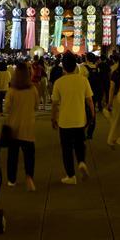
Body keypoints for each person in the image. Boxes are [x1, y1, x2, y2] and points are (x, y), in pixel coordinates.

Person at [51, 53, 94, 184]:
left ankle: (71, 176)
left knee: (66, 149)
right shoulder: (83, 80)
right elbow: (89, 101)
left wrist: (53, 118)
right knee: (80, 144)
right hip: (80, 119)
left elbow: (54, 104)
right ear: (75, 66)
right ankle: (81, 162)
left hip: (64, 121)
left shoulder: (59, 83)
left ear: (63, 67)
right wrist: (92, 115)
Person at [3, 63, 38, 190]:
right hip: (28, 126)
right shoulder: (33, 89)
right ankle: (29, 176)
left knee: (12, 155)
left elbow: (7, 108)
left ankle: (12, 179)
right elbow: (36, 106)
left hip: (13, 127)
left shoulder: (12, 90)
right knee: (29, 155)